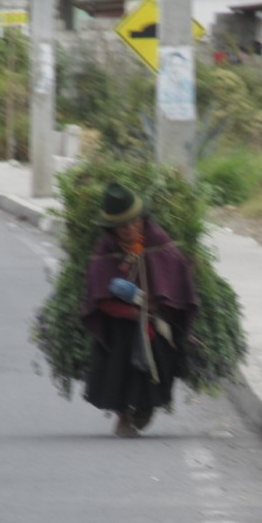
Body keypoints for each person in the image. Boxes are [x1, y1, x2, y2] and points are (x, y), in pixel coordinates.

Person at [80, 183, 198, 437]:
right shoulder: (105, 251)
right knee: (121, 348)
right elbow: (100, 298)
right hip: (120, 320)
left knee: (160, 352)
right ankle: (122, 416)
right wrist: (133, 313)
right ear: (112, 228)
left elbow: (175, 281)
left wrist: (157, 310)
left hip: (158, 316)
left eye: (135, 222)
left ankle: (146, 407)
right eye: (123, 226)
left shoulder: (159, 242)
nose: (131, 229)